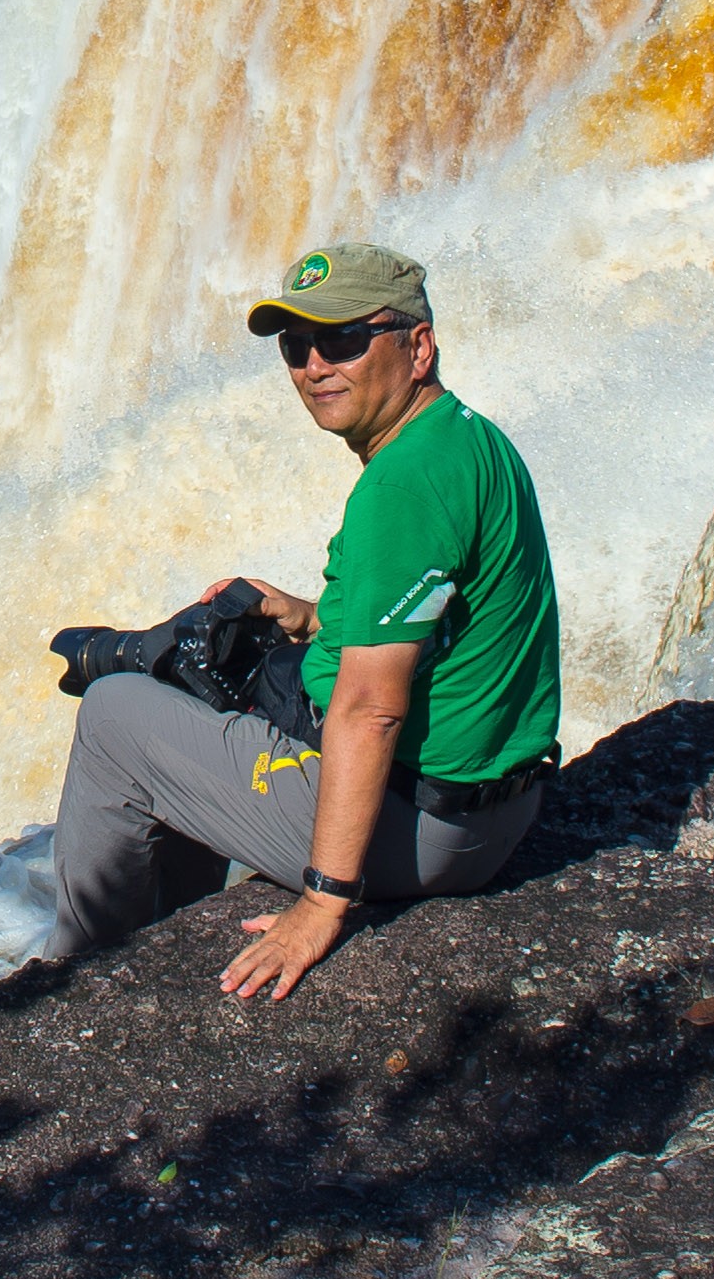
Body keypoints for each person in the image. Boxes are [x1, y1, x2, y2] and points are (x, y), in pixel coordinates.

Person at [40, 238, 563, 1000]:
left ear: (416, 346)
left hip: (423, 831)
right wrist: (310, 616)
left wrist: (321, 902)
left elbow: (371, 707)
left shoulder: (402, 487)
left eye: (344, 338)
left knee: (116, 714)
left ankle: (73, 979)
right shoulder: (465, 440)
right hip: (497, 809)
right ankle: (169, 929)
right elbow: (439, 622)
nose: (315, 364)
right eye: (296, 345)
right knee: (199, 669)